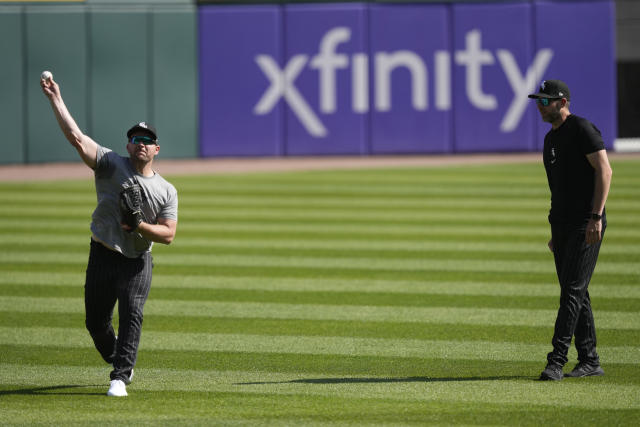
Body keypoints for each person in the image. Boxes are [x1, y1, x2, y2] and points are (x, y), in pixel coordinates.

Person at [41, 75, 178, 396]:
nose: (140, 143)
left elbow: (169, 235)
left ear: (156, 148)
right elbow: (76, 137)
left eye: (147, 139)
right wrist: (55, 99)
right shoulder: (109, 164)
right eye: (135, 138)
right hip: (101, 253)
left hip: (137, 261)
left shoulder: (167, 190)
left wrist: (139, 226)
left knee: (133, 314)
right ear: (128, 144)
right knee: (96, 323)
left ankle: (120, 376)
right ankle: (120, 359)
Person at [528, 80, 612, 381]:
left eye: (545, 101)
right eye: (538, 100)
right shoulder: (551, 139)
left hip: (585, 223)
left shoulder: (582, 129)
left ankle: (556, 361)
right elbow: (559, 188)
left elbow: (605, 171)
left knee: (572, 292)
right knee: (576, 291)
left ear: (562, 102)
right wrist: (555, 230)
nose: (540, 105)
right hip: (562, 224)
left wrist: (596, 217)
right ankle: (590, 359)